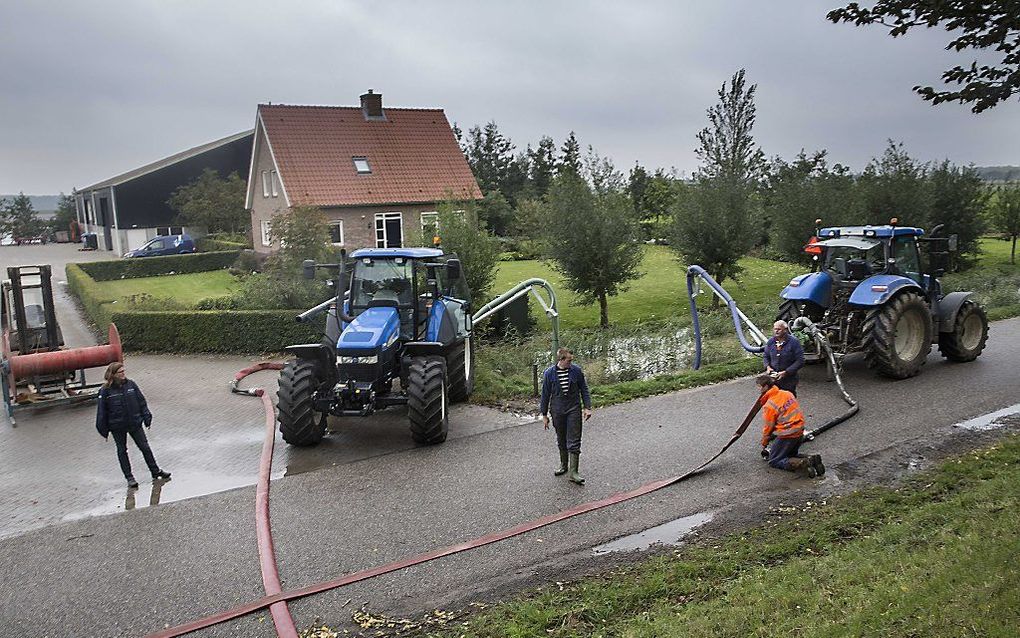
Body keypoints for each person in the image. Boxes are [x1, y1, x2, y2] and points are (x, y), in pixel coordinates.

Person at [95, 362, 171, 488]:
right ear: (113, 375)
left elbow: (141, 402)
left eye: (124, 371)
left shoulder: (131, 385)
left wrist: (146, 417)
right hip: (117, 426)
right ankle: (129, 477)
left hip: (134, 423)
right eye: (120, 372)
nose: (123, 374)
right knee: (122, 450)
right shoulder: (105, 391)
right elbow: (102, 412)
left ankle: (155, 471)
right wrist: (103, 429)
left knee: (145, 447)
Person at [540, 348, 593, 485]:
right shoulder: (549, 374)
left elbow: (584, 389)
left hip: (573, 408)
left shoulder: (576, 371)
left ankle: (573, 472)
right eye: (569, 360)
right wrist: (544, 414)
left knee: (574, 439)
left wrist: (587, 407)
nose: (571, 362)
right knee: (561, 438)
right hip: (557, 410)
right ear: (561, 360)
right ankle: (564, 465)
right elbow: (545, 395)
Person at [756, 374, 824, 477]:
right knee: (790, 454)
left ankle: (802, 464)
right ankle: (812, 459)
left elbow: (768, 427)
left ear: (765, 387)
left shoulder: (769, 405)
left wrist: (765, 441)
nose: (758, 389)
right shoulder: (787, 394)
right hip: (800, 430)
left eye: (759, 386)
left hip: (787, 434)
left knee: (774, 460)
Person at [763, 319, 805, 396]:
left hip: (789, 380)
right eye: (775, 329)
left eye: (779, 329)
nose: (776, 331)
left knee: (788, 400)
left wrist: (786, 372)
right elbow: (766, 356)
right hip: (773, 379)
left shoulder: (794, 342)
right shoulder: (771, 342)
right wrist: (768, 367)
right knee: (775, 400)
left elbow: (800, 360)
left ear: (785, 330)